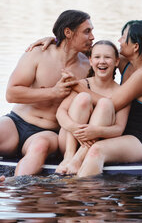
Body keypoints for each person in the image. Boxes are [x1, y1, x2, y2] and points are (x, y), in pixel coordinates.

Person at [0, 10, 94, 177]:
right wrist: (53, 92)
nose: (92, 36)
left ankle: (14, 184)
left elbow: (116, 55)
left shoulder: (89, 64)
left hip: (49, 132)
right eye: (87, 31)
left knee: (39, 147)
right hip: (17, 122)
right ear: (68, 32)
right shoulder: (38, 53)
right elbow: (11, 94)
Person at [30, 20, 142, 177]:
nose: (119, 41)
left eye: (123, 37)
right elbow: (94, 53)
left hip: (141, 141)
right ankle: (73, 163)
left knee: (96, 151)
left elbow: (111, 104)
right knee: (90, 113)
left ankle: (76, 185)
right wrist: (56, 42)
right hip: (120, 134)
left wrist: (77, 85)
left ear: (135, 46)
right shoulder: (127, 62)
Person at [55, 40, 130, 174]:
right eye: (97, 57)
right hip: (69, 141)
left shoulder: (121, 92)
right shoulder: (82, 84)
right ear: (90, 60)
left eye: (107, 57)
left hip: (96, 144)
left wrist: (96, 131)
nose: (102, 61)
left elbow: (119, 129)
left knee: (105, 103)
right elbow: (60, 112)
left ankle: (79, 159)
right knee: (83, 97)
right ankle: (69, 157)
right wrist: (74, 127)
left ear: (116, 61)